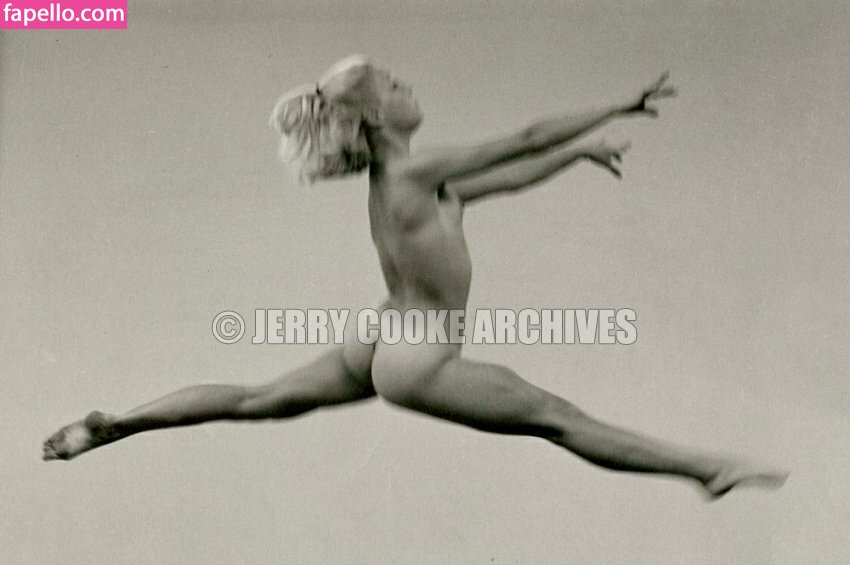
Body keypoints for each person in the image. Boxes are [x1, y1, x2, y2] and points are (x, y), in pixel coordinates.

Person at [43, 55, 787, 499]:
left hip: (380, 333)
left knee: (256, 399)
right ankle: (707, 469)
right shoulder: (414, 169)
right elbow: (523, 138)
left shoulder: (411, 183)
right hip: (417, 355)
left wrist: (578, 154)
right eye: (395, 83)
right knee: (559, 419)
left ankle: (119, 425)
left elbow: (508, 176)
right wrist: (614, 105)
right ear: (376, 114)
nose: (408, 84)